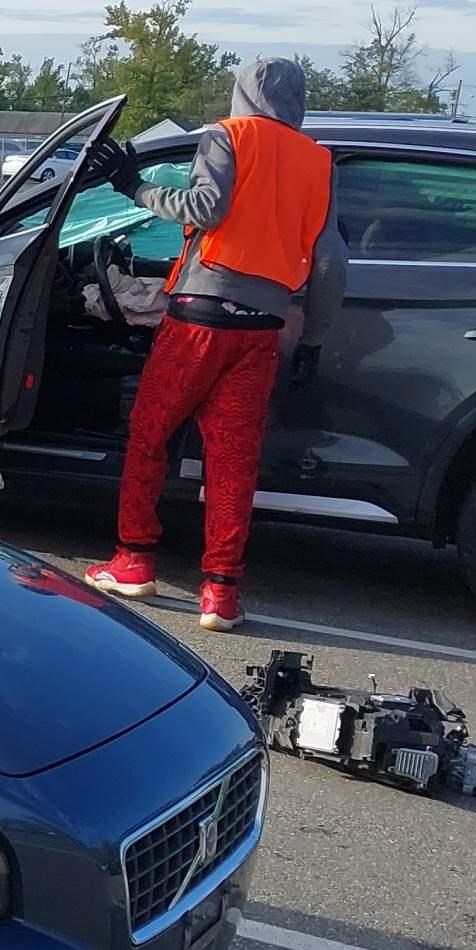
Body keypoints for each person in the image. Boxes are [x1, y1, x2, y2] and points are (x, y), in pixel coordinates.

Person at [81, 58, 348, 632]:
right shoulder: (318, 162)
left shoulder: (228, 136)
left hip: (198, 319)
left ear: (242, 93)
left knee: (150, 433)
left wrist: (133, 184)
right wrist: (315, 340)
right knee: (232, 463)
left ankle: (133, 560)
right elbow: (329, 262)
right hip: (260, 331)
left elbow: (206, 208)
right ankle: (221, 595)